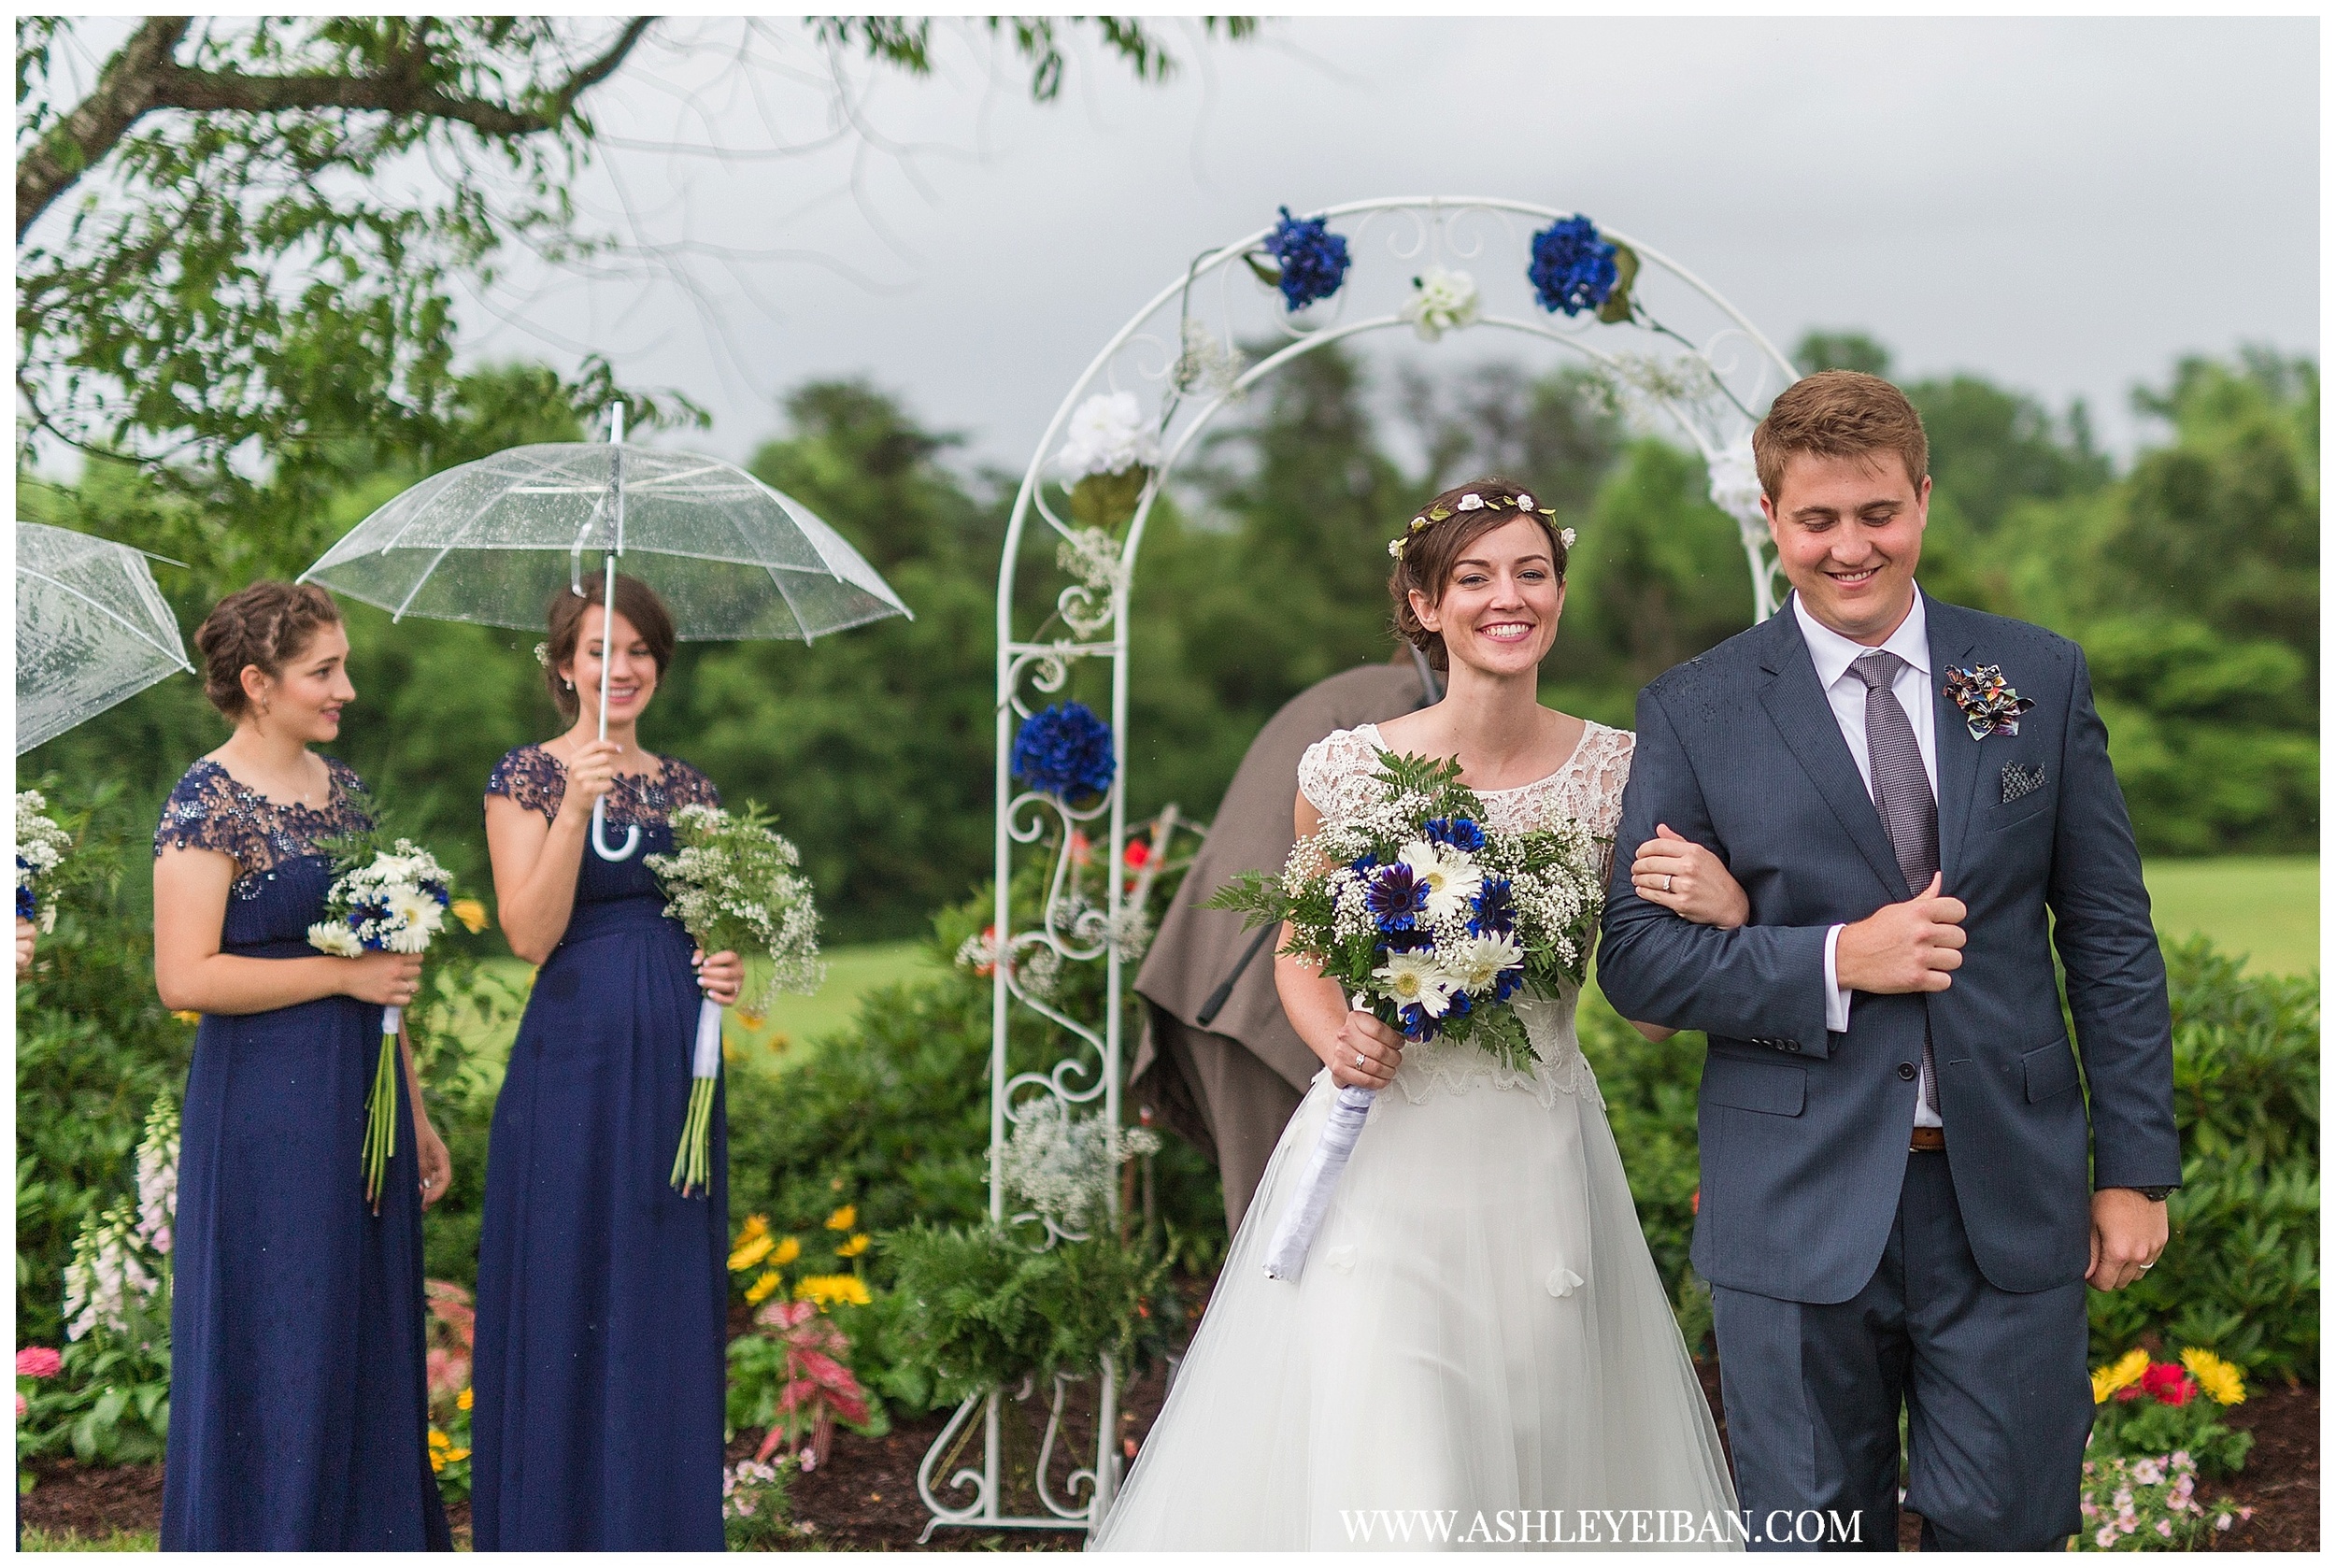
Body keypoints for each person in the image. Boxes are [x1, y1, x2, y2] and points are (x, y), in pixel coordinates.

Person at [1094, 480, 1748, 1550]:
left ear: (1558, 592)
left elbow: (1651, 1015)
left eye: (1531, 572)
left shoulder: (1619, 775)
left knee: (1527, 1453)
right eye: (1475, 577)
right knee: (1402, 1479)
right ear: (1423, 603)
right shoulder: (1347, 769)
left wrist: (1723, 912)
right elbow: (1299, 951)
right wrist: (1333, 1036)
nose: (1509, 597)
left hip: (1534, 1161)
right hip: (1378, 1169)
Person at [1599, 371, 2179, 1551]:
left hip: (2007, 1199)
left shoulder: (2036, 676)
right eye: (1818, 520)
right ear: (1773, 518)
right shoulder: (1695, 708)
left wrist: (2132, 1166)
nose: (1850, 547)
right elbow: (1639, 963)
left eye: (1877, 514)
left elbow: (2110, 935)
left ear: (1923, 499)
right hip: (1793, 1203)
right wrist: (1832, 958)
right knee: (1810, 1536)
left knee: (2007, 1528)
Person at [151, 580, 451, 1550]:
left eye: (342, 666)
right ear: (256, 681)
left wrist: (415, 1107)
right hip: (263, 1111)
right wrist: (340, 977)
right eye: (324, 670)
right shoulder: (207, 800)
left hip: (361, 1101)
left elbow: (386, 977)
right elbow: (183, 975)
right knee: (279, 1329)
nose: (346, 690)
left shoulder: (346, 793)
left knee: (360, 1332)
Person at [468, 573, 742, 1551]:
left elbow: (713, 927)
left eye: (637, 651)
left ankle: (655, 1526)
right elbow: (530, 933)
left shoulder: (689, 787)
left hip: (676, 1058)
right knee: (568, 1275)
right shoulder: (526, 777)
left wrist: (725, 962)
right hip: (572, 1062)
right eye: (598, 649)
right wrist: (576, 804)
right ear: (562, 665)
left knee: (660, 1286)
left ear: (659, 666)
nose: (619, 668)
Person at [1131, 649, 1440, 1235]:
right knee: (1290, 1239)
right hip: (1262, 997)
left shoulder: (1348, 692)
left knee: (1286, 1232)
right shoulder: (1408, 710)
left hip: (1209, 974)